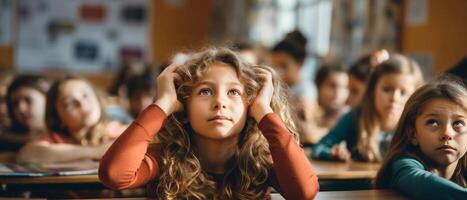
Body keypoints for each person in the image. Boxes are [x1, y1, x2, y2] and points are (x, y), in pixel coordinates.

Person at [99, 48, 318, 199]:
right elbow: (114, 175)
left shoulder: (258, 162)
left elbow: (304, 193)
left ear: (250, 106)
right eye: (205, 91)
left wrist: (264, 111)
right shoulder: (166, 158)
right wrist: (163, 104)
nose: (220, 102)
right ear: (184, 107)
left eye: (233, 92)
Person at [312, 54, 424, 162]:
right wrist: (332, 154)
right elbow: (318, 148)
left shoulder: (416, 125)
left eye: (403, 92)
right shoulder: (355, 118)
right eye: (387, 89)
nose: (394, 98)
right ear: (372, 90)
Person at [375, 78, 467, 199]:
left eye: (458, 123)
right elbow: (421, 181)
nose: (447, 133)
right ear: (413, 134)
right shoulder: (403, 165)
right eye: (433, 122)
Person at [16, 76, 127, 163]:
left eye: (85, 95)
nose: (81, 104)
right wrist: (94, 151)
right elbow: (27, 155)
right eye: (68, 103)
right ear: (58, 118)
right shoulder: (57, 140)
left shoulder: (116, 131)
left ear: (97, 99)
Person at [300, 63, 349, 144]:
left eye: (345, 87)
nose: (338, 94)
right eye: (332, 86)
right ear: (319, 85)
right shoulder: (306, 107)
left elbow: (309, 135)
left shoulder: (347, 116)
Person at [0, 74, 50, 152]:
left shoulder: (66, 136)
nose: (21, 109)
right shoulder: (6, 142)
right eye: (15, 104)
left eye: (28, 100)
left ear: (47, 99)